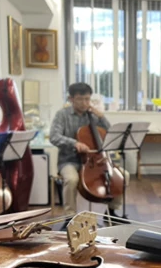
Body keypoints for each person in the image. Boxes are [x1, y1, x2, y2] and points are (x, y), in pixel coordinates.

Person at [50, 82, 130, 224]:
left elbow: (110, 134)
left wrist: (101, 117)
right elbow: (54, 137)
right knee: (71, 180)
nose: (85, 103)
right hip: (69, 160)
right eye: (80, 99)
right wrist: (75, 143)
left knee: (124, 176)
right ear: (71, 99)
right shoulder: (62, 115)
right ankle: (69, 218)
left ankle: (111, 212)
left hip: (96, 161)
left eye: (87, 99)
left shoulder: (93, 116)